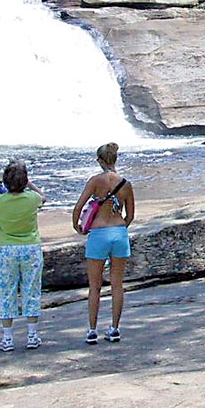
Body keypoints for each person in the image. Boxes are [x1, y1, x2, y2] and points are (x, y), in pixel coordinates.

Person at [72, 142, 136, 345]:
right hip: (119, 233)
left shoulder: (95, 181)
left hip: (99, 234)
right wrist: (119, 227)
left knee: (95, 286)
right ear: (115, 159)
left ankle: (92, 330)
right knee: (117, 284)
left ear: (101, 161)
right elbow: (130, 215)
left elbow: (79, 206)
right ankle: (115, 328)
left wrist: (78, 226)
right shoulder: (125, 184)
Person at [0, 159, 47, 352]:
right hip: (30, 248)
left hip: (7, 250)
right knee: (31, 290)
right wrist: (28, 183)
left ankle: (7, 338)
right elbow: (43, 197)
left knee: (7, 291)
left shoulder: (0, 201)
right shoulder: (31, 199)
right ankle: (31, 335)